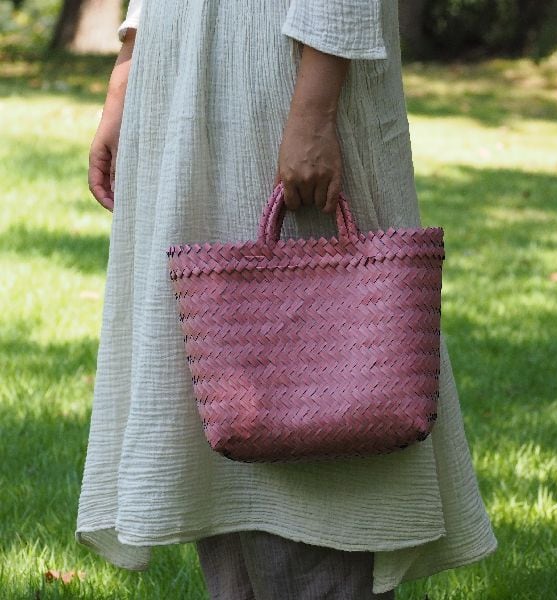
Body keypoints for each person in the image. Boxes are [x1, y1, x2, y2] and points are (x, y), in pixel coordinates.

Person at [77, 0, 498, 597]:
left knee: (311, 407)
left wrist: (314, 110)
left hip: (277, 72)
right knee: (212, 416)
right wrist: (129, 66)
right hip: (184, 64)